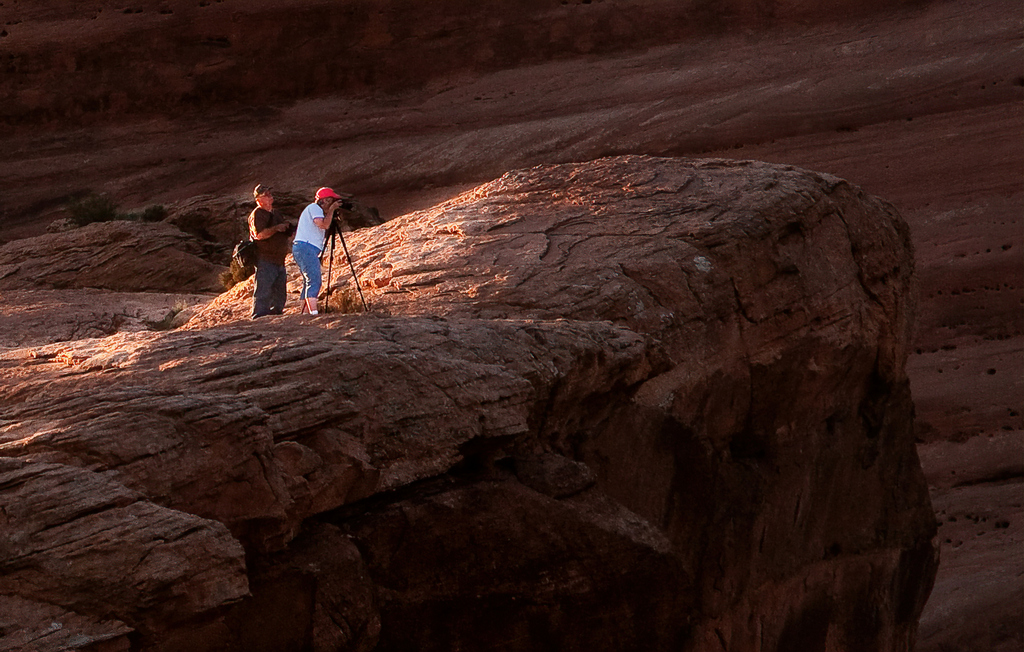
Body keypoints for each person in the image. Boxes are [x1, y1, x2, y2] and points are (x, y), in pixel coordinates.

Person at [292, 186, 342, 315]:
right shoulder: (314, 208)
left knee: (308, 281)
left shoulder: (317, 210)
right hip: (306, 247)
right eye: (331, 201)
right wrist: (331, 211)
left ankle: (305, 312)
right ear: (323, 200)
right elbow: (323, 225)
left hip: (306, 248)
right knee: (314, 280)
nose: (332, 204)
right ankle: (313, 313)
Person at [248, 184, 292, 318]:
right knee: (263, 290)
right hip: (265, 258)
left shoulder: (276, 213)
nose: (270, 196)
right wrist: (276, 228)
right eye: (265, 194)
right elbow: (259, 235)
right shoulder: (258, 214)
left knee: (280, 292)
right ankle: (260, 316)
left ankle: (276, 313)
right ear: (258, 200)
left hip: (279, 259)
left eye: (269, 193)